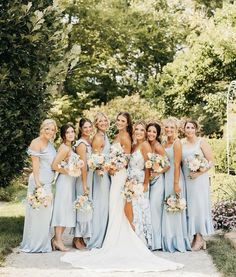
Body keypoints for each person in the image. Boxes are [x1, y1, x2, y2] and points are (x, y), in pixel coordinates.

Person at [61, 113, 183, 272]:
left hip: (124, 178)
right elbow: (125, 159)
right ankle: (114, 238)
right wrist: (111, 165)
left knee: (121, 208)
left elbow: (144, 164)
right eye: (117, 120)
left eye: (123, 121)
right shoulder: (127, 139)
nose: (119, 122)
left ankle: (128, 239)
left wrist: (145, 180)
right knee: (116, 208)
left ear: (128, 124)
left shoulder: (130, 139)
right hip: (120, 177)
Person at [20, 119, 57, 252]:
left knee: (46, 214)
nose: (50, 131)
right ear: (42, 128)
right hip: (39, 182)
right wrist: (37, 185)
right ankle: (34, 245)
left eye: (52, 129)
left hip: (48, 182)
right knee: (37, 213)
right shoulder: (36, 143)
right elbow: (35, 165)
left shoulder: (50, 143)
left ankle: (43, 243)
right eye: (47, 128)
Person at [181, 119, 214, 250]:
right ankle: (195, 236)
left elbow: (211, 161)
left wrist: (199, 172)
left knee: (198, 206)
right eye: (187, 127)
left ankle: (200, 238)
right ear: (184, 129)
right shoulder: (182, 144)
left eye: (192, 127)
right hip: (187, 180)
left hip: (199, 180)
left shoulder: (201, 142)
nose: (189, 130)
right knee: (191, 207)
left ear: (196, 129)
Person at [161, 117, 191, 252]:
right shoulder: (164, 142)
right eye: (167, 127)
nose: (169, 130)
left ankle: (178, 241)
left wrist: (175, 183)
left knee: (175, 206)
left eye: (172, 128)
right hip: (166, 177)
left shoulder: (177, 143)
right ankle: (168, 239)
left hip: (175, 177)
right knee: (168, 206)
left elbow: (177, 163)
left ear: (176, 129)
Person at [51, 123, 78, 251]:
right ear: (63, 135)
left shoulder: (69, 147)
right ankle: (57, 240)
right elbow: (55, 165)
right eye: (67, 132)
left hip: (69, 182)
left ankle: (57, 239)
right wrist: (69, 171)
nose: (71, 134)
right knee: (62, 209)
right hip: (64, 182)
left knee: (66, 209)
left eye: (72, 131)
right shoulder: (65, 148)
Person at [86, 112, 111, 249]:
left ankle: (103, 235)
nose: (103, 123)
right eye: (100, 121)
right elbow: (95, 159)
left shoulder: (104, 135)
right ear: (96, 123)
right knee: (101, 206)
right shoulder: (98, 137)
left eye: (105, 120)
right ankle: (97, 238)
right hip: (101, 176)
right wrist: (101, 169)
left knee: (104, 206)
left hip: (106, 174)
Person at [127, 121, 152, 247]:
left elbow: (148, 166)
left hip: (140, 181)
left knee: (139, 210)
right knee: (132, 209)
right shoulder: (134, 145)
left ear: (145, 133)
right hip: (130, 181)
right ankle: (132, 238)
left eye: (142, 130)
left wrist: (145, 184)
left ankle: (141, 240)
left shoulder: (145, 145)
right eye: (137, 129)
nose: (139, 132)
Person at [147, 122, 169, 251]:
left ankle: (157, 242)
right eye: (149, 131)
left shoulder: (158, 146)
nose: (151, 133)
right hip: (148, 182)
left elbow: (167, 165)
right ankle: (150, 240)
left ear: (157, 134)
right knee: (149, 210)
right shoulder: (145, 145)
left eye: (154, 132)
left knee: (154, 209)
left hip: (158, 182)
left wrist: (157, 172)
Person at [73, 118, 93, 249]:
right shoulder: (81, 144)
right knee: (82, 207)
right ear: (80, 129)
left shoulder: (89, 142)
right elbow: (83, 166)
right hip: (82, 179)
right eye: (85, 127)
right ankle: (77, 238)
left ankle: (81, 236)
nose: (88, 129)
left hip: (89, 178)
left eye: (89, 127)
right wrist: (85, 184)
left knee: (86, 207)